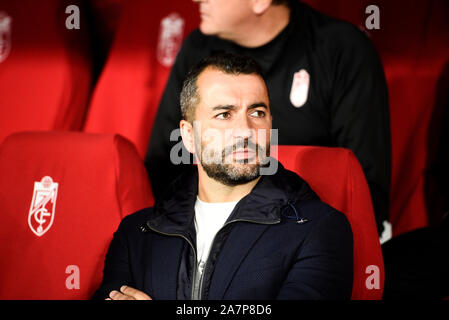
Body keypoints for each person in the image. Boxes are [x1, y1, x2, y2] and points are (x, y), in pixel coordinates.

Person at [94, 53, 353, 300]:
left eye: (257, 113)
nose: (245, 131)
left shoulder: (318, 228)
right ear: (188, 136)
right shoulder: (136, 233)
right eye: (224, 115)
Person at [145, 0, 391, 236]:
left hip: (307, 234)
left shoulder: (340, 49)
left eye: (258, 113)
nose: (197, 0)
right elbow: (165, 162)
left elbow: (365, 189)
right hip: (208, 233)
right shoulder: (198, 48)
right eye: (224, 114)